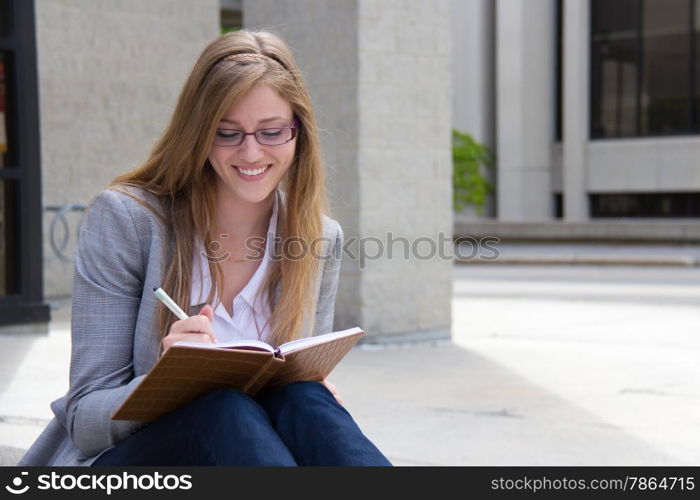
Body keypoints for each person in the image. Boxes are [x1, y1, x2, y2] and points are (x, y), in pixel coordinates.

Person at [19, 30, 391, 466]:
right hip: (129, 462)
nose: (251, 153)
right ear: (197, 134)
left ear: (299, 134)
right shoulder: (126, 220)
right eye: (227, 134)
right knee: (223, 410)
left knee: (307, 399)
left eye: (271, 132)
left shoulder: (319, 238)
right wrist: (165, 382)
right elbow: (84, 421)